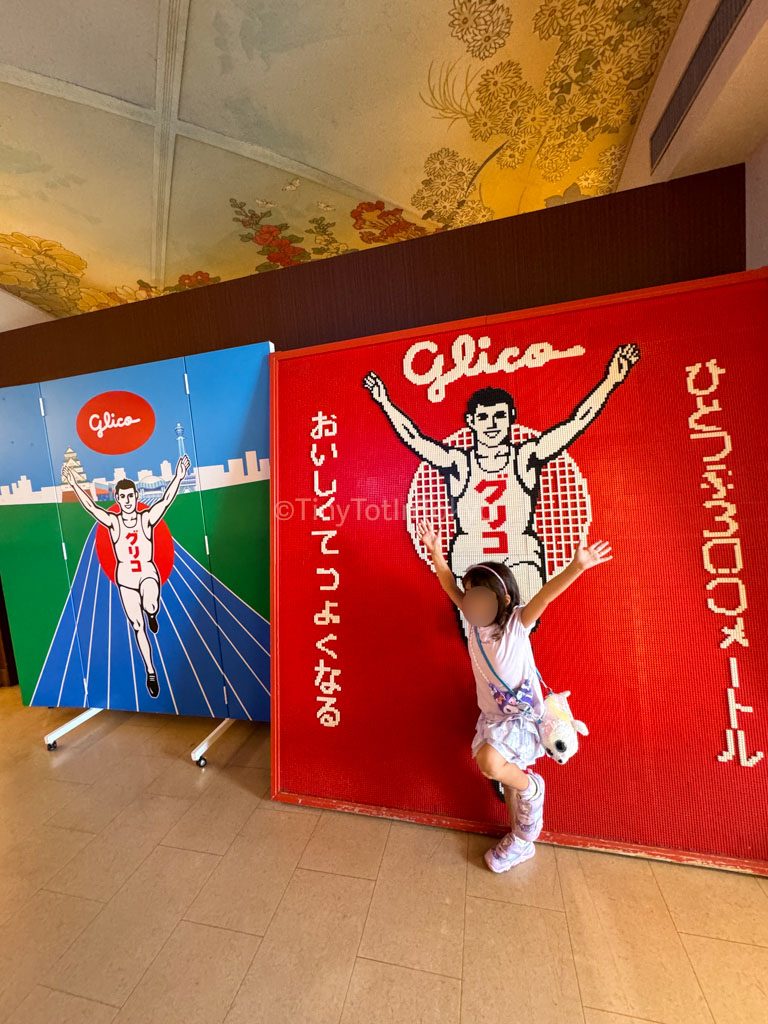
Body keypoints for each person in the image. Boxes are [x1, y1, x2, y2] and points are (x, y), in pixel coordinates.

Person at [363, 344, 638, 603]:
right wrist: (384, 402)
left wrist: (611, 381)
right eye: (483, 417)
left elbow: (576, 423)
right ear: (471, 422)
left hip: (522, 565)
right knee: (480, 638)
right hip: (470, 567)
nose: (491, 424)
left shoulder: (525, 457)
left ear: (511, 417)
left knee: (517, 636)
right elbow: (415, 439)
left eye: (499, 416)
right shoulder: (459, 462)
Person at [416, 516, 612, 872]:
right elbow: (447, 580)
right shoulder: (473, 619)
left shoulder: (516, 627)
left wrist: (577, 567)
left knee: (492, 764)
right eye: (470, 592)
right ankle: (521, 840)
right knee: (508, 785)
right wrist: (434, 550)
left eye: (480, 595)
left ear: (502, 599)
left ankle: (534, 788)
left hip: (521, 717)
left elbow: (545, 596)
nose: (472, 601)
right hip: (494, 717)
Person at [62, 455, 190, 698]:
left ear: (136, 496)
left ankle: (153, 612)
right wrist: (73, 484)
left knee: (151, 604)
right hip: (126, 579)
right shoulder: (113, 522)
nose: (128, 500)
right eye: (123, 497)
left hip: (147, 572)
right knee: (137, 625)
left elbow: (166, 500)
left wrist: (179, 476)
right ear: (118, 499)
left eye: (131, 496)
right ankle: (151, 671)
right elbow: (91, 507)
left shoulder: (146, 519)